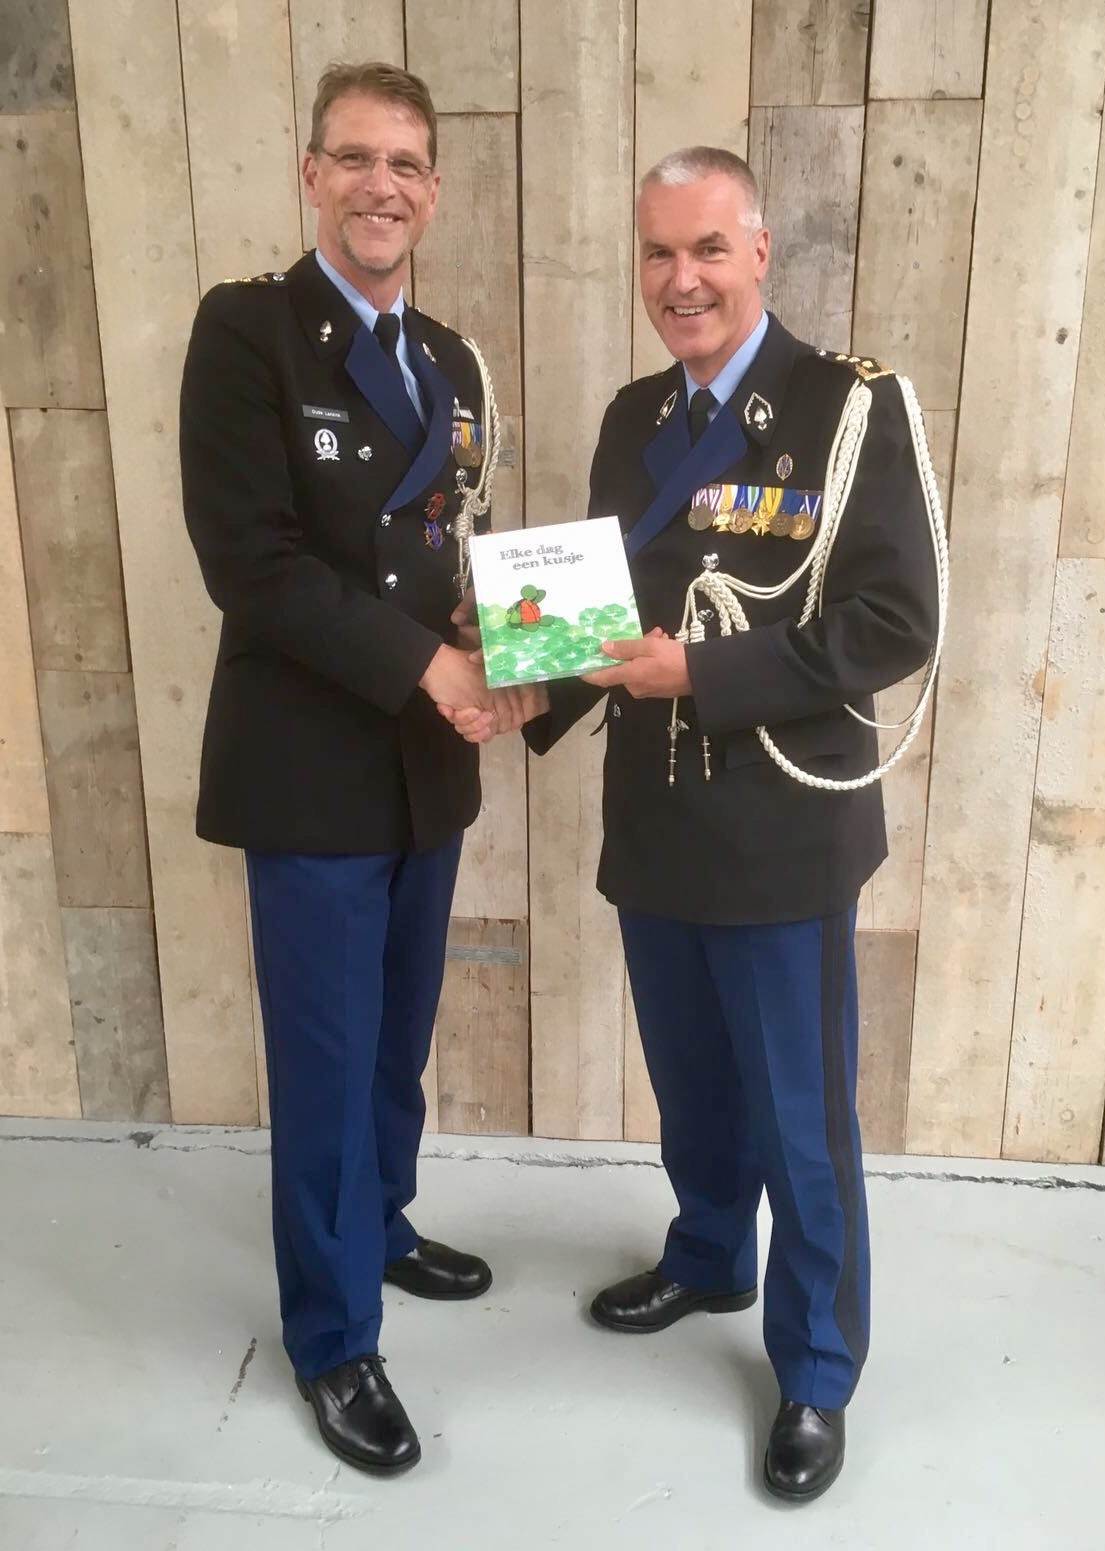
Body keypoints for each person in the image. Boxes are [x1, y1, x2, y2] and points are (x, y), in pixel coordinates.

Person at [446, 146, 943, 1501]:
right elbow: (605, 614)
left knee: (800, 1117)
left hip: (782, 833)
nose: (683, 280)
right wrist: (521, 683)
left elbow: (894, 621)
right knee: (693, 1086)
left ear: (759, 252)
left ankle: (817, 1368)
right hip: (658, 823)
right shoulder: (634, 419)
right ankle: (712, 1255)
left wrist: (706, 673)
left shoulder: (848, 409)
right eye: (659, 253)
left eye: (708, 249)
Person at [179, 61, 534, 1476]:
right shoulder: (248, 330)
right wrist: (430, 665)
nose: (380, 185)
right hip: (310, 763)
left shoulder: (448, 360)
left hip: (422, 766)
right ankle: (333, 1339)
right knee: (327, 1062)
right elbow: (252, 566)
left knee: (394, 1039)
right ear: (311, 175)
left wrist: (502, 641)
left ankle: (377, 1224)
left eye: (405, 164)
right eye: (355, 158)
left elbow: (450, 545)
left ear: (432, 192)